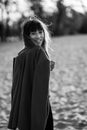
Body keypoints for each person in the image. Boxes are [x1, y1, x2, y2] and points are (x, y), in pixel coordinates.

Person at [7, 15, 55, 130]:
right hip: (38, 103)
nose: (39, 36)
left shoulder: (22, 53)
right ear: (27, 36)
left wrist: (46, 66)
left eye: (40, 32)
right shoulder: (38, 52)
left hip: (24, 103)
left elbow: (20, 83)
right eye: (33, 33)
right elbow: (40, 87)